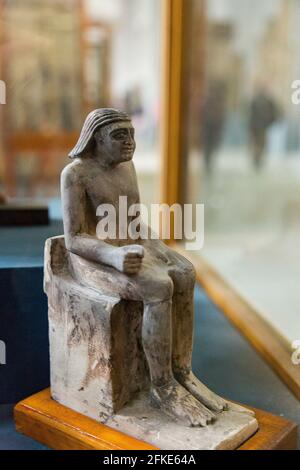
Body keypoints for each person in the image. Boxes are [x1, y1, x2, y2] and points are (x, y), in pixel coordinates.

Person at [61, 108, 228, 427]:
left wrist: (160, 248)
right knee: (159, 286)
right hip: (92, 257)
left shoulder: (127, 167)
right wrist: (113, 256)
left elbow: (134, 223)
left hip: (129, 245)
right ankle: (163, 386)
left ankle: (183, 372)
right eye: (119, 135)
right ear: (96, 138)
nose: (130, 142)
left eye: (132, 134)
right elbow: (75, 238)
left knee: (185, 272)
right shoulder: (75, 174)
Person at [249, 89, 280, 169]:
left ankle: (257, 159)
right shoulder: (267, 101)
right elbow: (276, 112)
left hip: (256, 126)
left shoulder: (255, 101)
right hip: (261, 126)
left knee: (257, 143)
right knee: (260, 144)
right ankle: (257, 159)